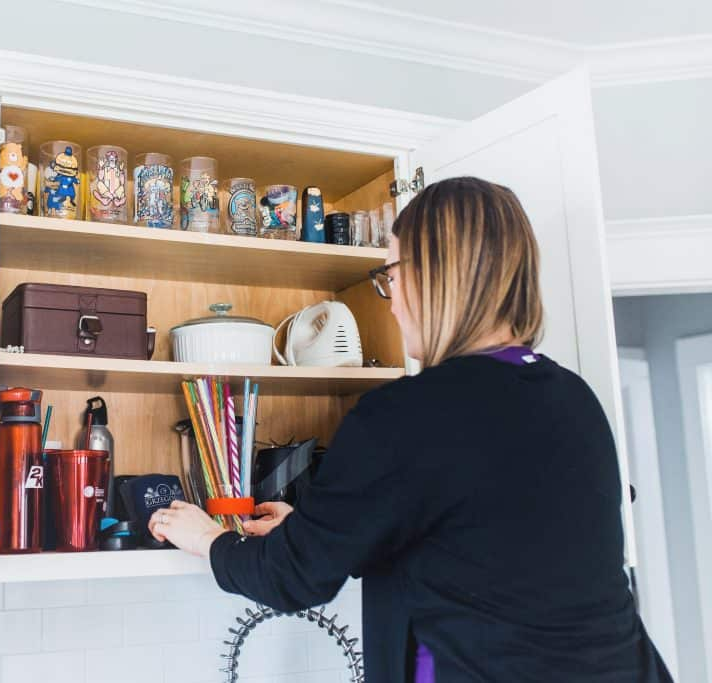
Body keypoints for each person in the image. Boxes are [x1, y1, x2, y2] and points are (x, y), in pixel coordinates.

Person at [149, 177, 672, 682]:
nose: (391, 299)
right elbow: (477, 542)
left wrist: (209, 538)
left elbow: (293, 579)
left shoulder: (405, 414)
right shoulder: (572, 398)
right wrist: (317, 531)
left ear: (432, 275)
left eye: (391, 275)